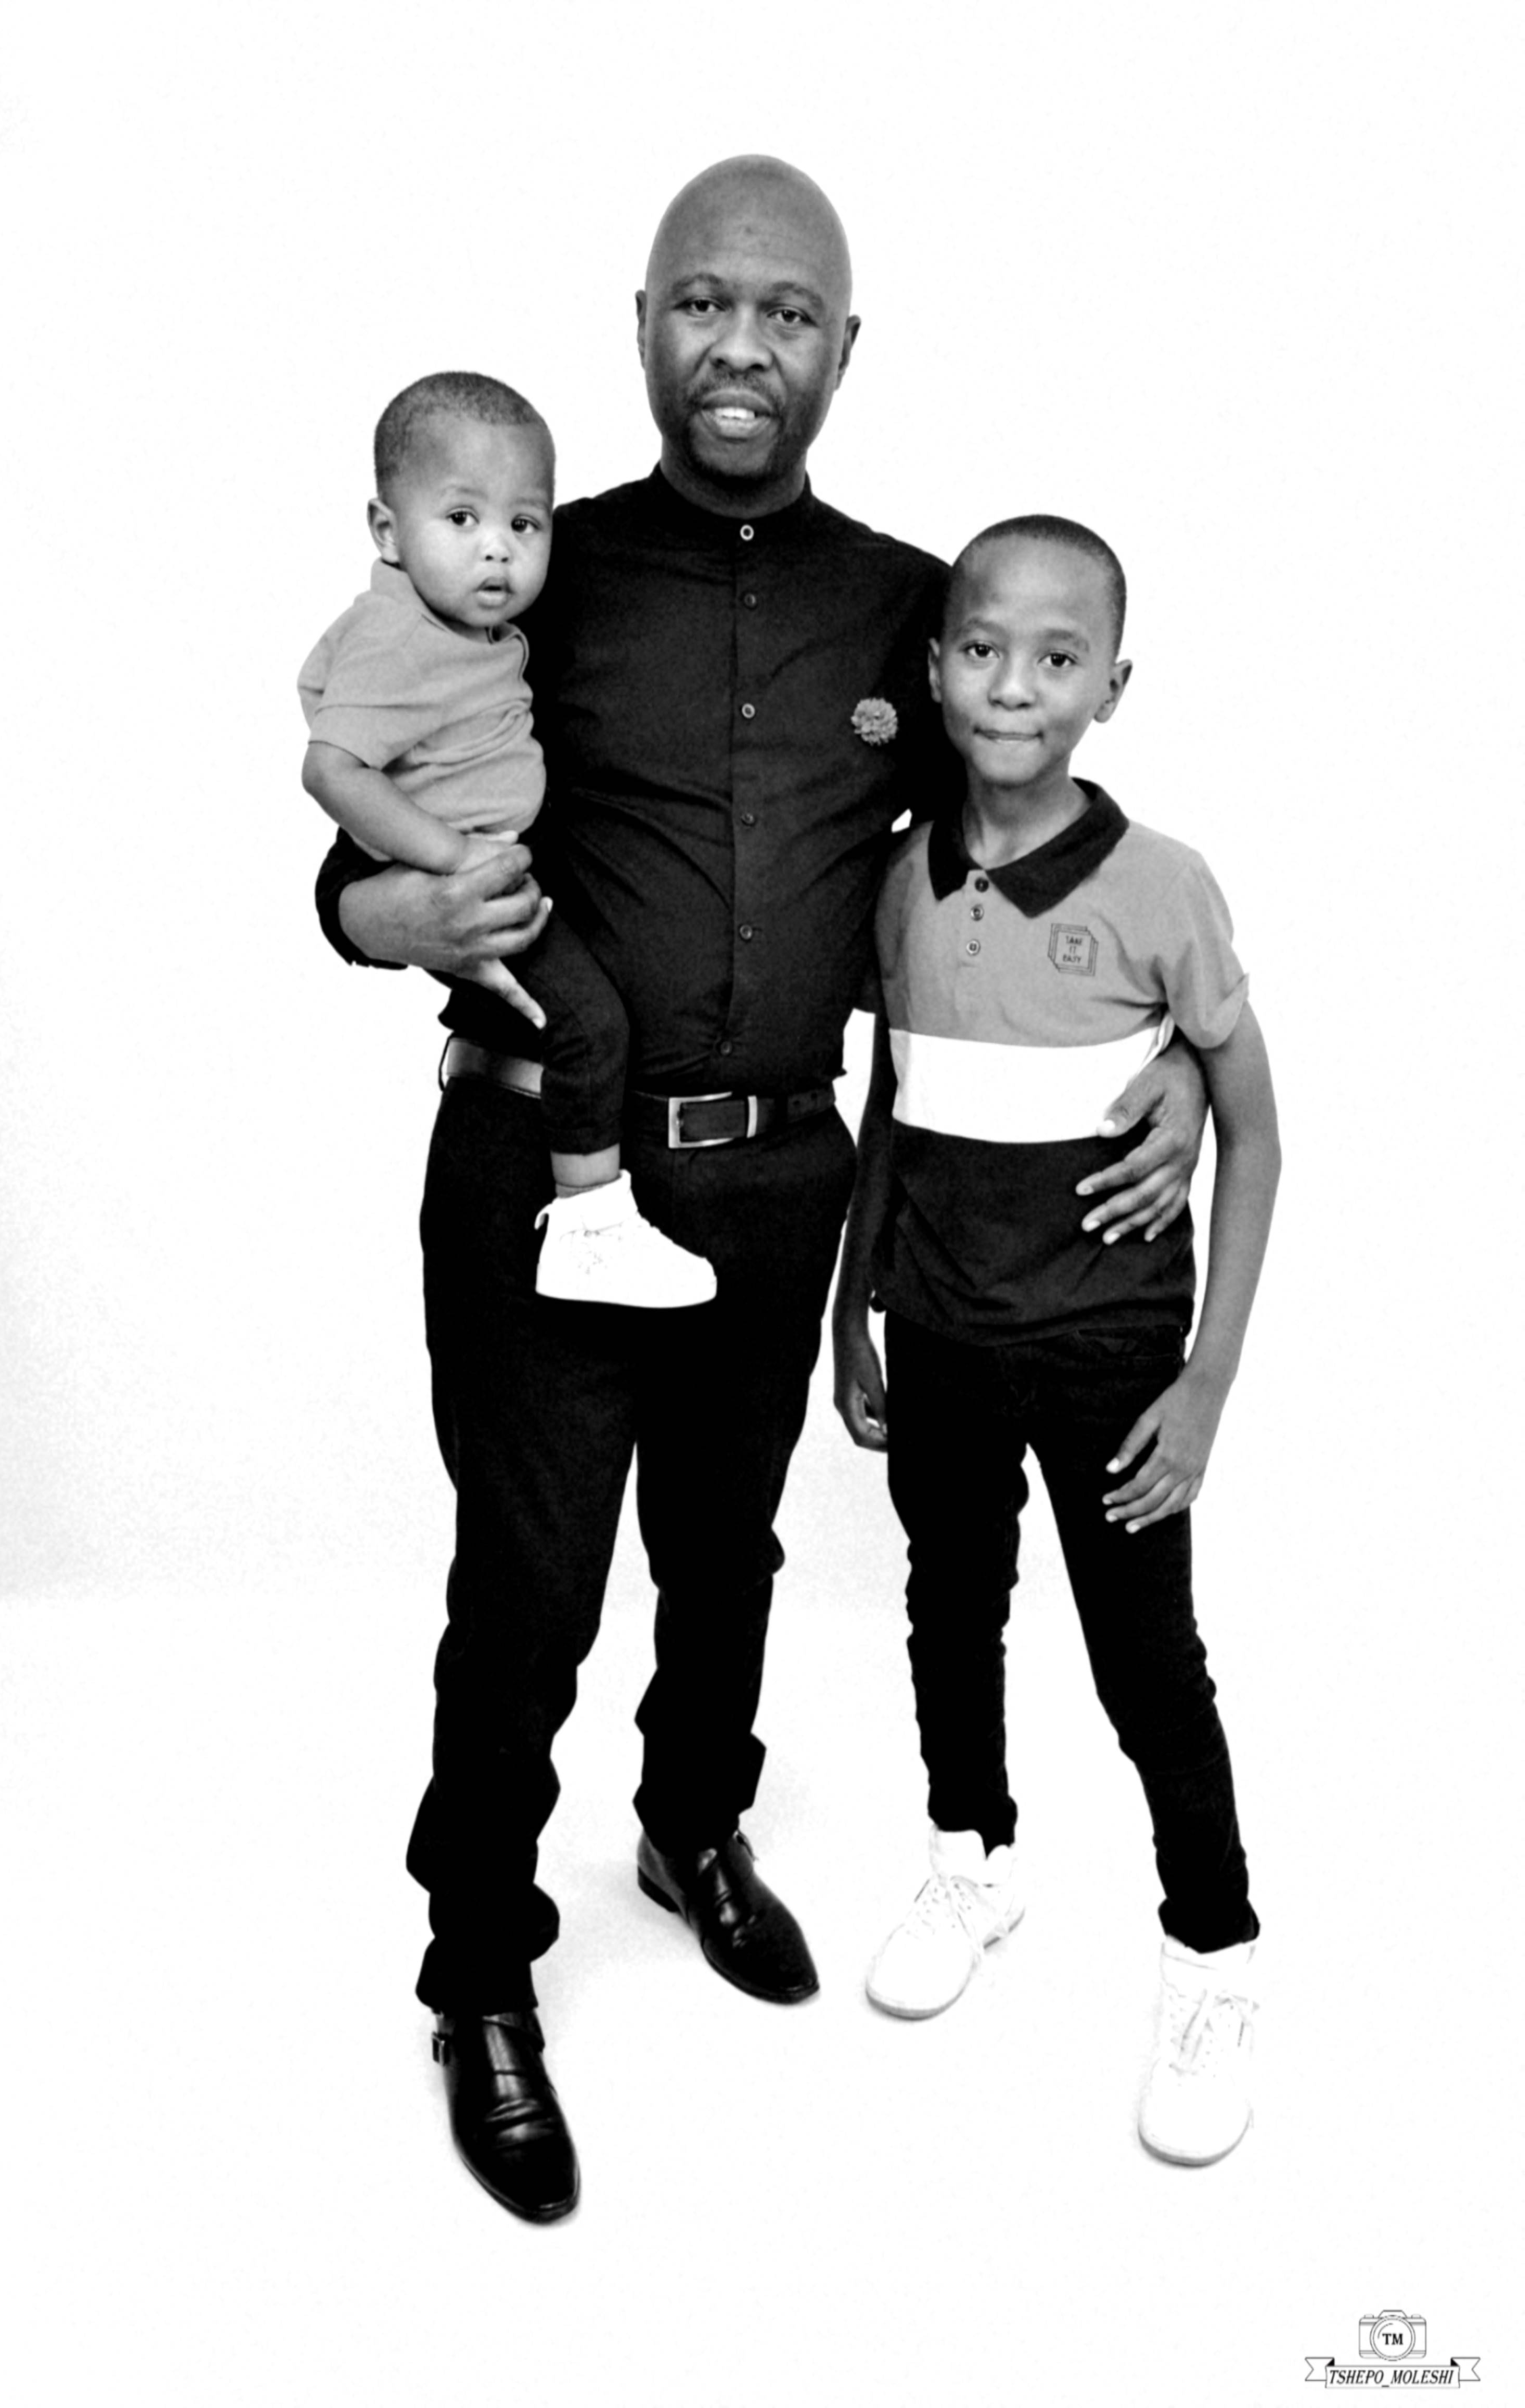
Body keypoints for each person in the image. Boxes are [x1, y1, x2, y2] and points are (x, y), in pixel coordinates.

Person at [315, 163, 1208, 2224]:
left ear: (842, 348)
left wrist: (1170, 1040)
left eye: (785, 313)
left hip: (783, 1174)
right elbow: (354, 840)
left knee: (728, 1552)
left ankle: (691, 1823)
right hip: (544, 1169)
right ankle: (479, 1972)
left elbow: (1035, 831)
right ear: (643, 323)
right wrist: (386, 905)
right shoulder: (530, 565)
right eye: (704, 303)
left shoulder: (907, 600)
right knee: (530, 1583)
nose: (741, 344)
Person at [833, 514, 1280, 2166]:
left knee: (1145, 1663)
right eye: (982, 650)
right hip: (942, 1330)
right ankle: (973, 1861)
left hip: (1109, 1356)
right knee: (950, 1609)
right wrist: (852, 1308)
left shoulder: (1163, 885)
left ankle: (1213, 1954)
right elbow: (896, 1107)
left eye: (1057, 658)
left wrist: (1207, 1384)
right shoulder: (899, 878)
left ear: (1111, 686)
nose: (1013, 686)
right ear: (938, 667)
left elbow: (1256, 1133)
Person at [300, 369, 714, 1309]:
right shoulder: (398, 638)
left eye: (525, 524)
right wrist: (447, 860)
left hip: (478, 858)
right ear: (386, 531)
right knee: (589, 1026)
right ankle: (589, 1228)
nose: (498, 549)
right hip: (462, 871)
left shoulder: (461, 630)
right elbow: (330, 770)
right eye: (462, 519)